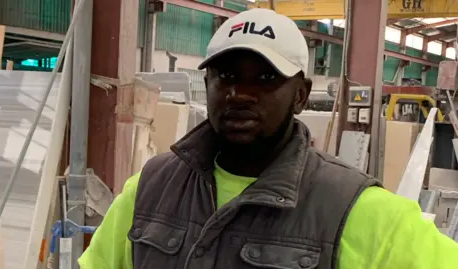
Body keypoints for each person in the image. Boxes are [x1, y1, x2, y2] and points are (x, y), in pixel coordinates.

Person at [78, 8, 458, 269]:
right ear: (207, 83)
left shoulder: (358, 211)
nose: (240, 94)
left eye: (265, 79)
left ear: (300, 95)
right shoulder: (149, 190)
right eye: (226, 76)